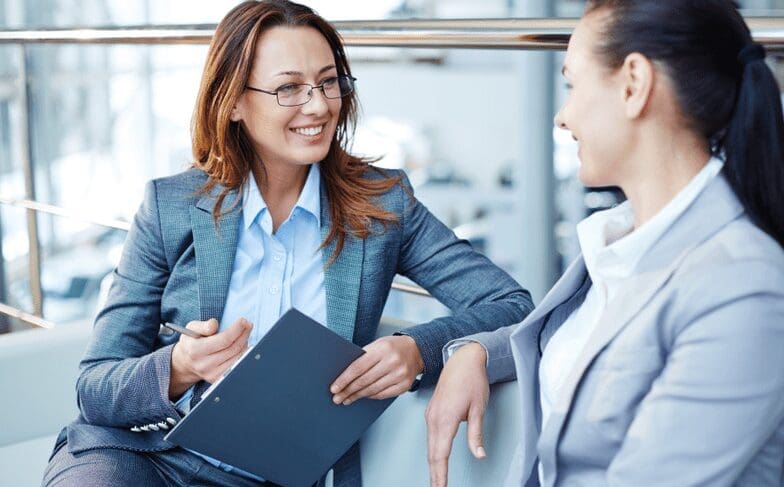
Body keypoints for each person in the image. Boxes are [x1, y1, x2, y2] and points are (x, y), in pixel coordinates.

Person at [41, 1, 533, 486]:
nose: (319, 105)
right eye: (289, 88)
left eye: (327, 81)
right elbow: (95, 388)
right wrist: (180, 367)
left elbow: (511, 304)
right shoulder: (169, 207)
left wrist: (419, 350)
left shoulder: (385, 206)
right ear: (232, 102)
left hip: (283, 474)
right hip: (146, 456)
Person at [425, 1, 784, 486]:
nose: (562, 116)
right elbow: (595, 347)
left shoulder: (744, 288)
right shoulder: (623, 240)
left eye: (573, 85)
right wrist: (480, 352)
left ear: (634, 84)